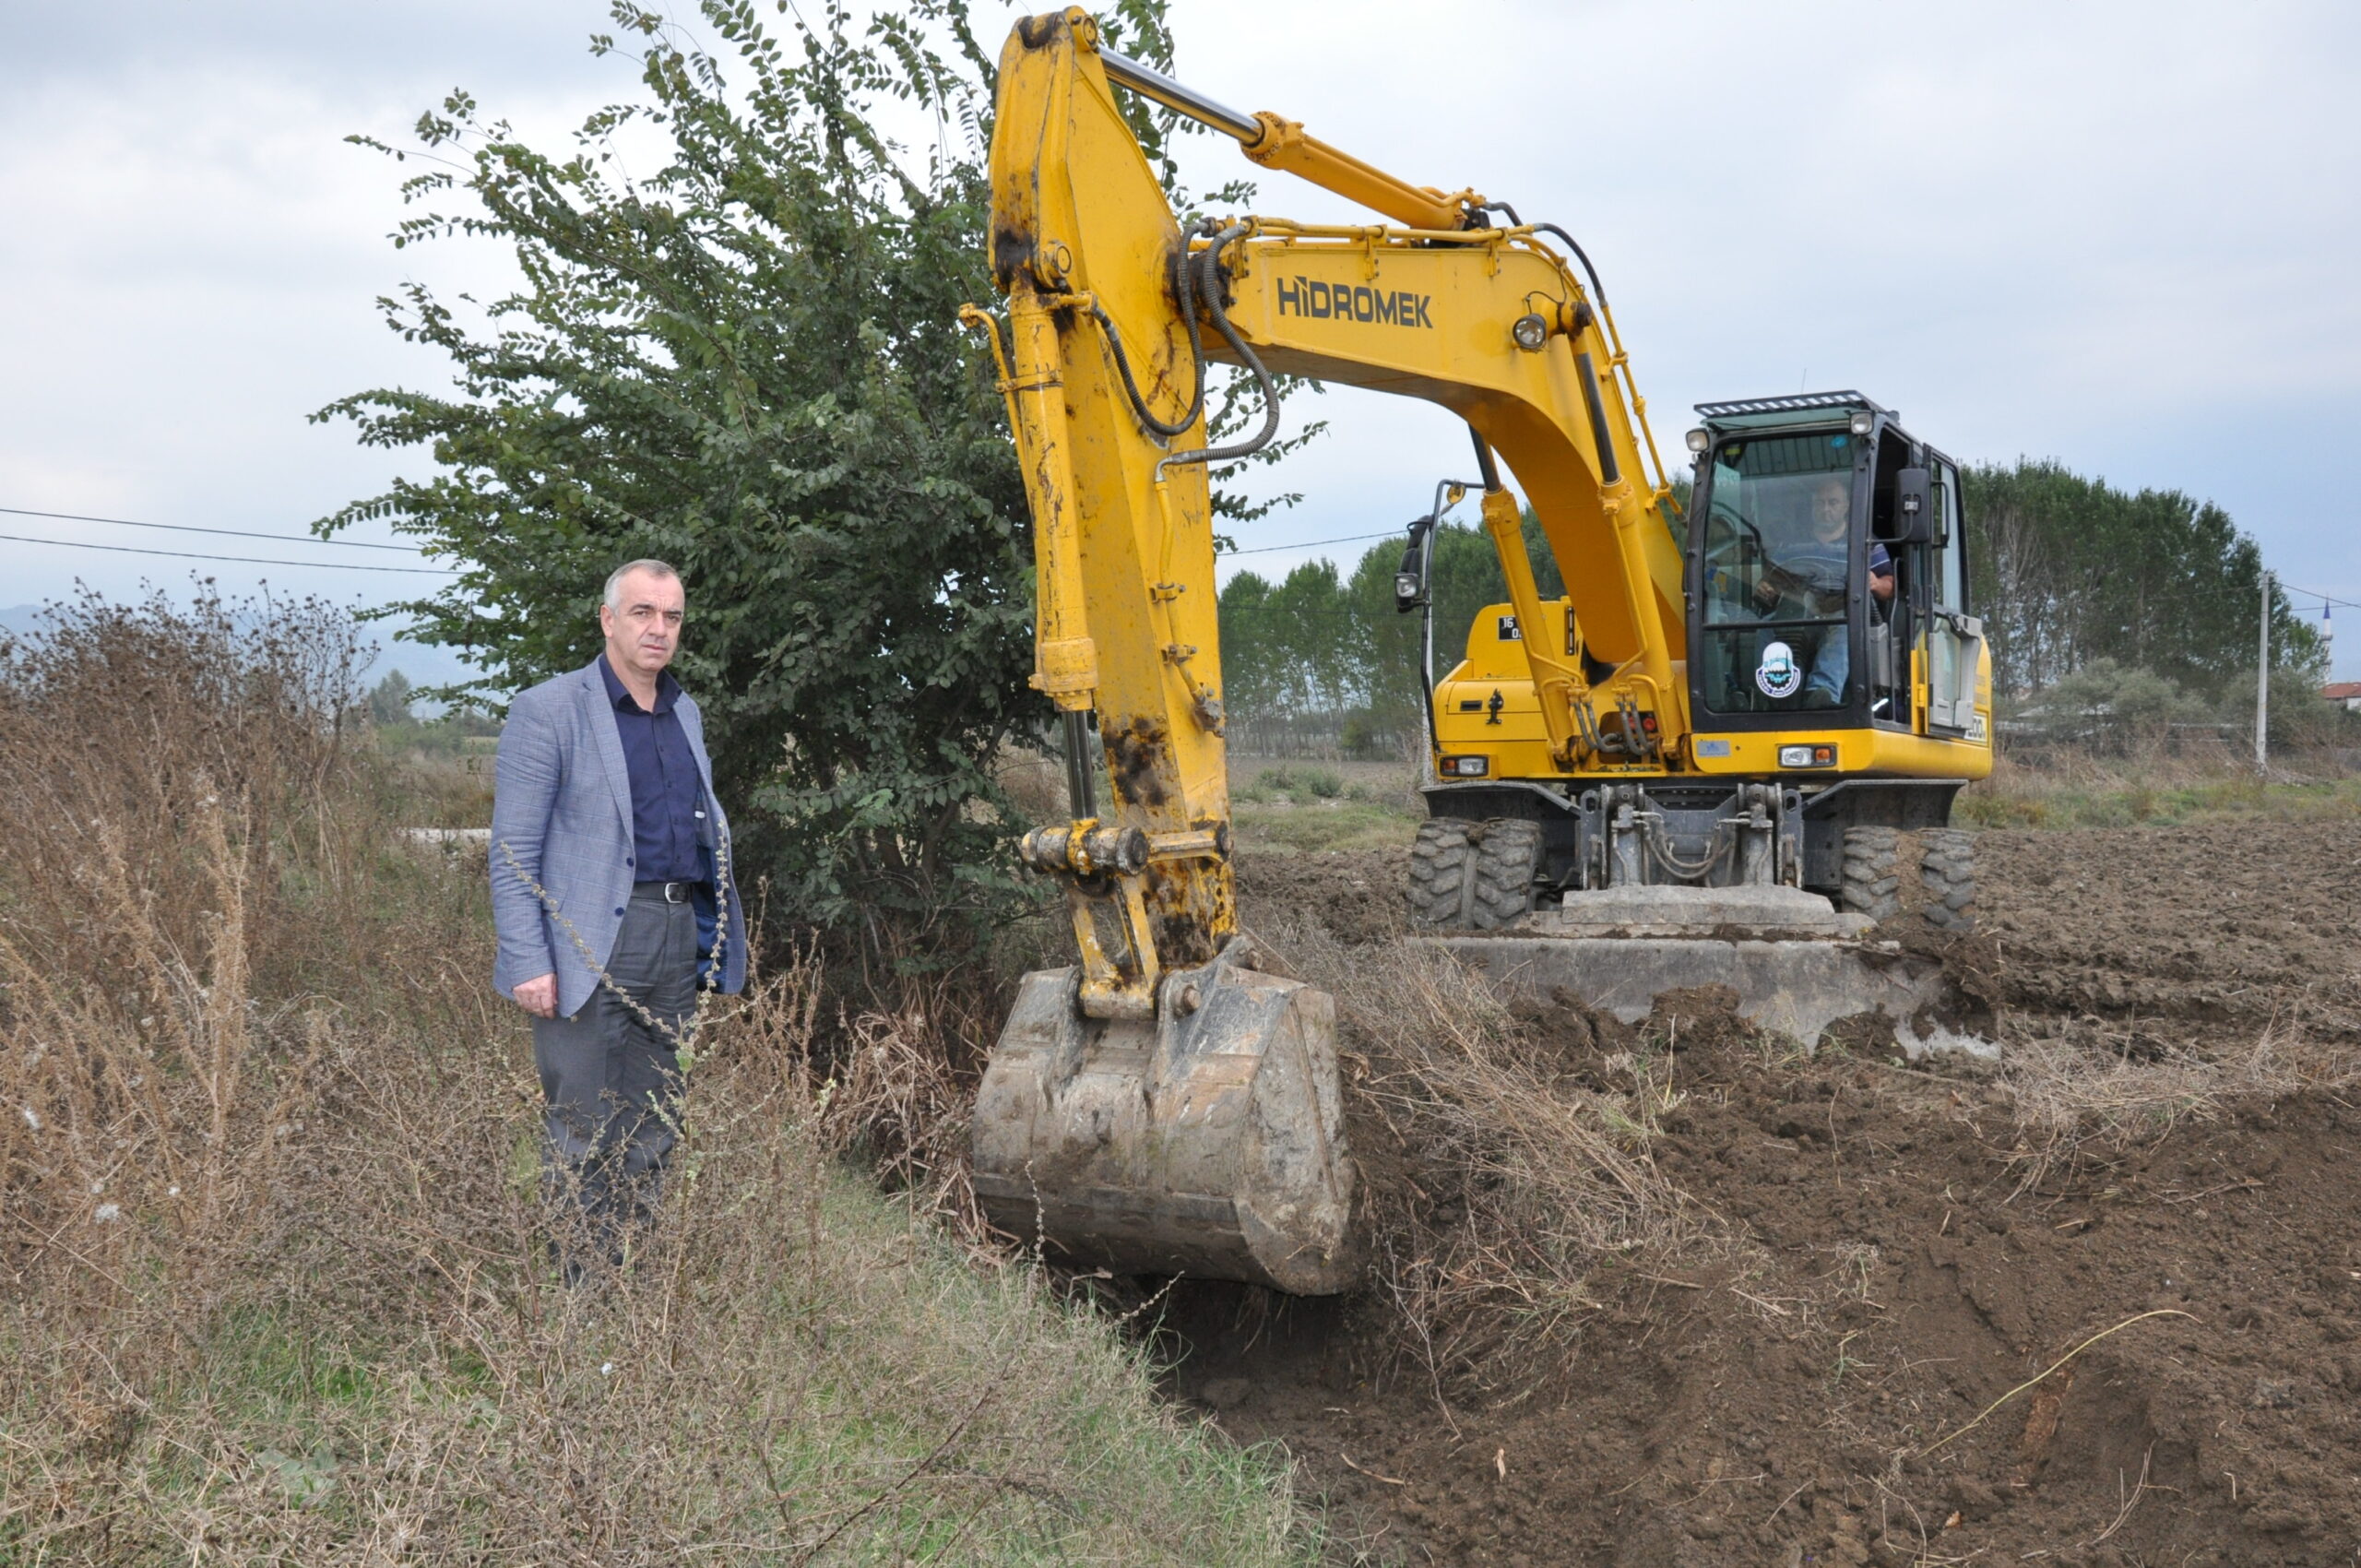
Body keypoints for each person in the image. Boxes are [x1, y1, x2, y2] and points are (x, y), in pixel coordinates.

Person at [490, 558, 747, 1271]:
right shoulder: (550, 709)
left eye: (671, 617)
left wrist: (710, 939)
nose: (658, 630)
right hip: (588, 942)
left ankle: (632, 1286)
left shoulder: (683, 711)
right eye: (642, 613)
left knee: (656, 1122)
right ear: (608, 619)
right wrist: (529, 960)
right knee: (583, 1126)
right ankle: (580, 1302)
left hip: (673, 937)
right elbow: (513, 853)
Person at [1750, 476, 1894, 705]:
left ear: (1846, 506)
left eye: (1833, 502)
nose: (1826, 509)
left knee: (1844, 628)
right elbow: (1772, 582)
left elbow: (1890, 586)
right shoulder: (1791, 544)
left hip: (1840, 611)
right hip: (1797, 612)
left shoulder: (1866, 543)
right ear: (1812, 506)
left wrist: (1875, 582)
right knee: (1764, 628)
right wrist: (1765, 589)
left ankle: (1822, 693)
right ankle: (1772, 692)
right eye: (1820, 503)